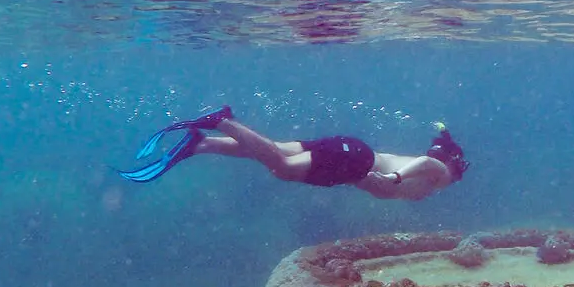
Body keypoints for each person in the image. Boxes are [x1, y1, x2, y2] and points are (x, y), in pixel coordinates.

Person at [118, 106, 467, 201]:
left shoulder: (431, 171)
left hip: (352, 155)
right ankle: (222, 122)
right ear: (453, 163)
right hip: (354, 161)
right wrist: (395, 178)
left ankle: (200, 144)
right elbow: (425, 162)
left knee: (277, 150)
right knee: (282, 166)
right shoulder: (440, 174)